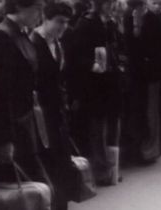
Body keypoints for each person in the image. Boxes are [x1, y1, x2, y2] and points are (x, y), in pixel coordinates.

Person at [0, 0, 50, 187]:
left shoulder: (19, 33)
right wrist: (5, 139)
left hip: (26, 124)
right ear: (21, 6)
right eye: (37, 9)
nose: (40, 15)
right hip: (14, 127)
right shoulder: (2, 35)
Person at [70, 0, 123, 185]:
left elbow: (117, 47)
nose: (111, 6)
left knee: (112, 126)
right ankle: (101, 171)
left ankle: (112, 167)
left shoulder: (110, 22)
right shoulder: (85, 23)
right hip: (95, 85)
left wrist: (120, 63)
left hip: (111, 81)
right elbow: (75, 55)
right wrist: (90, 65)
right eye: (108, 3)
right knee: (97, 128)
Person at [30, 2, 74, 210]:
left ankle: (61, 204)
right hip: (41, 115)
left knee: (61, 163)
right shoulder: (32, 42)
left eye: (66, 23)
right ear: (45, 19)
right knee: (48, 163)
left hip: (57, 113)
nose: (63, 27)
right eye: (59, 22)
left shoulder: (57, 43)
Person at [123, 0, 161, 163]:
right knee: (138, 111)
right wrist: (136, 26)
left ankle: (151, 149)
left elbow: (160, 47)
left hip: (151, 74)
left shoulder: (153, 19)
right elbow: (128, 44)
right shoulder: (128, 17)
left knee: (151, 112)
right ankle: (138, 148)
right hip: (136, 74)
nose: (137, 9)